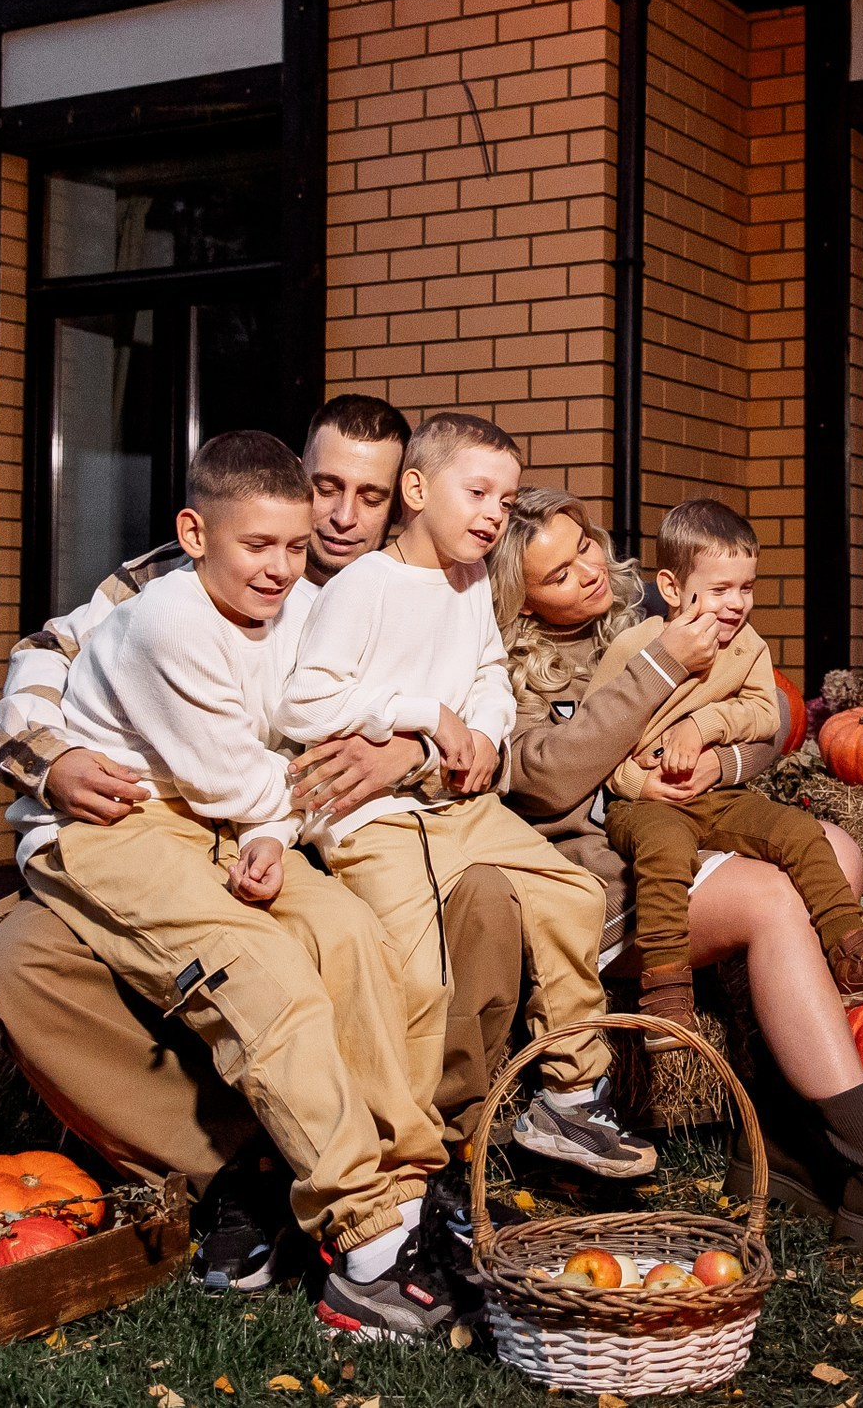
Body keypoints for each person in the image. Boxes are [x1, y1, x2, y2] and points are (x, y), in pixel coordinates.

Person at [0, 394, 526, 1291]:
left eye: (370, 497)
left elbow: (481, 729)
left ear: (407, 501)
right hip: (153, 818)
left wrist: (413, 747)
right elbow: (50, 650)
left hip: (288, 826)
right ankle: (251, 1175)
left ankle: (410, 1177)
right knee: (58, 965)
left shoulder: (396, 591)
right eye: (328, 489)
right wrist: (51, 757)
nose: (344, 516)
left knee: (347, 942)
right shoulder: (175, 588)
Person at [491, 489, 863, 1271]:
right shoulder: (510, 666)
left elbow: (771, 712)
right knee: (776, 900)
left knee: (835, 855)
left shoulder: (656, 597)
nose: (588, 571)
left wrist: (719, 755)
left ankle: (784, 1139)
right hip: (605, 877)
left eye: (585, 546)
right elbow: (547, 784)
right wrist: (663, 674)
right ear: (520, 594)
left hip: (697, 818)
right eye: (558, 573)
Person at [277, 413, 653, 1181]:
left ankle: (572, 1091)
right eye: (477, 491)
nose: (492, 513)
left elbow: (486, 673)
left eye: (505, 500)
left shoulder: (472, 577)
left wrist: (482, 729)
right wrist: (423, 716)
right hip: (373, 822)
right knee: (419, 977)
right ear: (416, 490)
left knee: (571, 894)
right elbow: (303, 705)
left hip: (458, 807)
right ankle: (409, 1158)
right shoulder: (362, 587)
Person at [592, 498, 863, 1046]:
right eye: (720, 590)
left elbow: (766, 712)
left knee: (798, 831)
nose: (736, 604)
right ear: (672, 589)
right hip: (644, 801)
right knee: (665, 854)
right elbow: (601, 742)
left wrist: (702, 728)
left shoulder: (748, 647)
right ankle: (667, 993)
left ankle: (852, 949)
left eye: (746, 587)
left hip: (716, 795)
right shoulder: (634, 647)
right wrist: (637, 783)